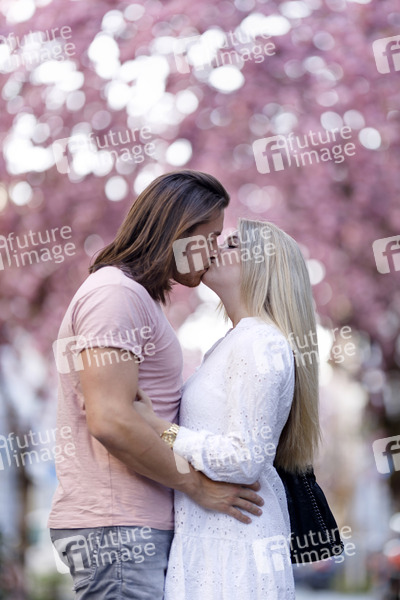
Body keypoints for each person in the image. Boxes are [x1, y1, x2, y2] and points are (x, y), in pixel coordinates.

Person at [49, 171, 263, 599]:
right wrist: (197, 486)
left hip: (131, 525)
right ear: (178, 229)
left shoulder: (134, 296)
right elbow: (110, 419)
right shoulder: (115, 295)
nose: (215, 250)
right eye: (211, 236)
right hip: (118, 526)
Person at [134, 218, 321, 599]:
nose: (215, 248)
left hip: (236, 546)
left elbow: (246, 457)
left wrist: (160, 429)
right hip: (214, 538)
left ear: (263, 267)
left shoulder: (261, 343)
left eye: (232, 244)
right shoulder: (233, 342)